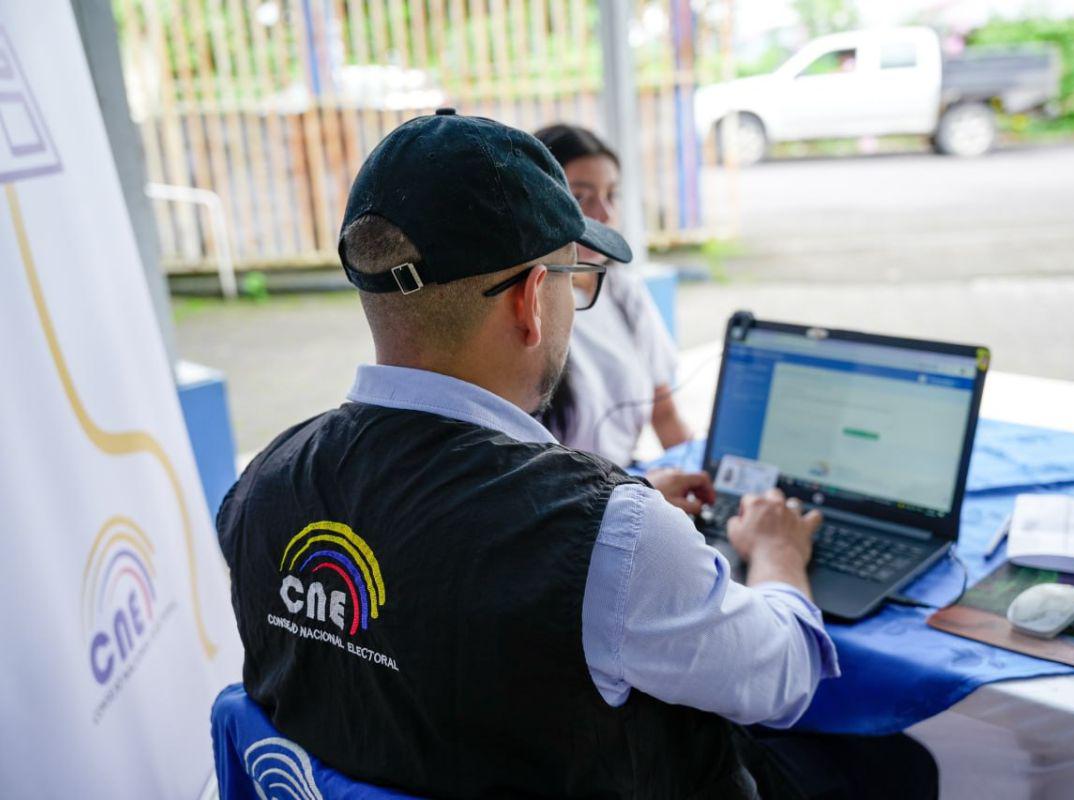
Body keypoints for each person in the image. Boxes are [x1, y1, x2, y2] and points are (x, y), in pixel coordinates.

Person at [217, 109, 937, 798]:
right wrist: (777, 553)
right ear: (532, 299)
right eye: (573, 277)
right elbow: (784, 677)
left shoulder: (260, 485)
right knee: (894, 766)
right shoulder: (609, 538)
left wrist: (616, 512)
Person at [533, 123, 691, 466]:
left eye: (611, 195)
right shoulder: (525, 304)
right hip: (575, 502)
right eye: (579, 197)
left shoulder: (624, 291)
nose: (603, 214)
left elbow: (664, 415)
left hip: (626, 484)